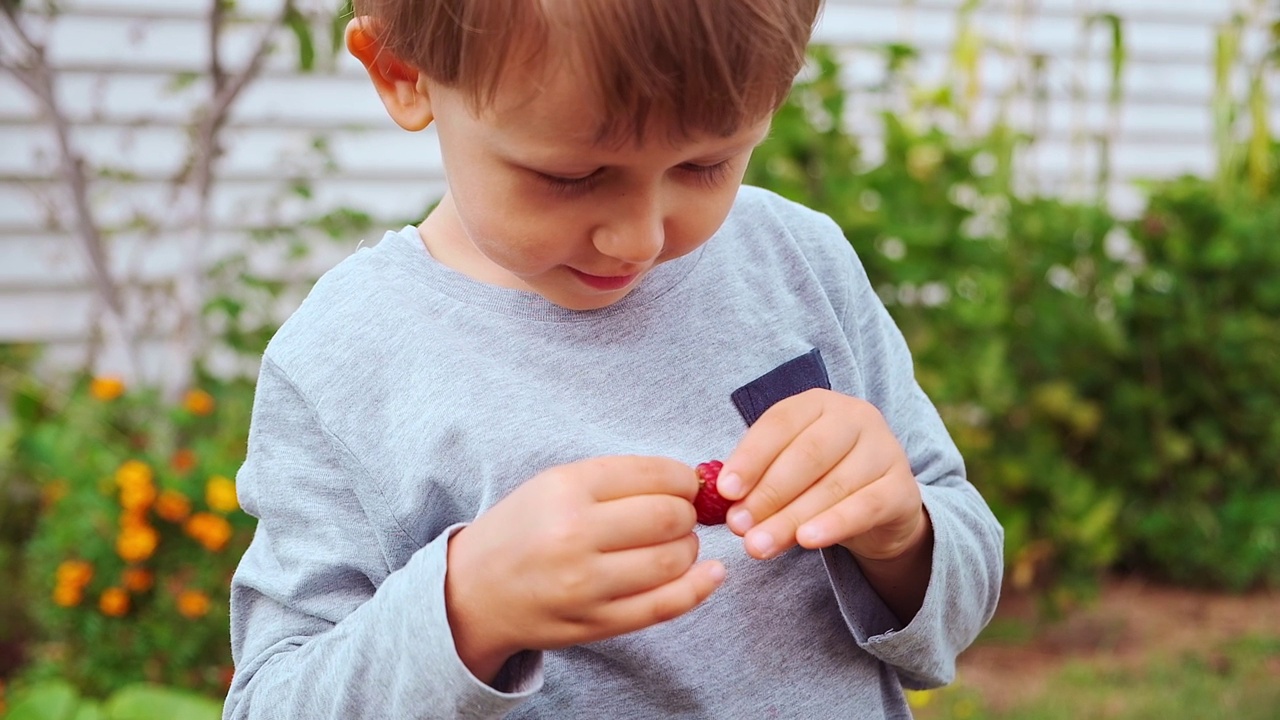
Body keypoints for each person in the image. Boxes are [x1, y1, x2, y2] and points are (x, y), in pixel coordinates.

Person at [222, 1, 1003, 718]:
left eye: (706, 165)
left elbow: (961, 584)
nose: (640, 238)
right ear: (404, 74)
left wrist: (902, 536)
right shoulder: (344, 358)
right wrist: (465, 610)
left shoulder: (797, 263)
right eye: (572, 177)